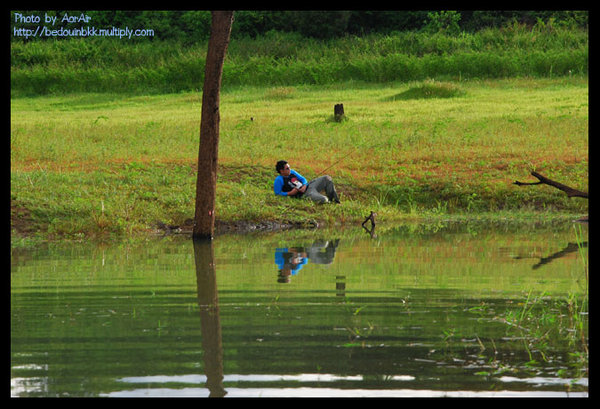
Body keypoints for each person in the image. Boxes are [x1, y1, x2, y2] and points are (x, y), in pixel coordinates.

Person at [273, 160, 340, 204]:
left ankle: (335, 201)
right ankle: (327, 201)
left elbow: (303, 179)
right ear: (281, 171)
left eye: (289, 167)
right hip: (305, 194)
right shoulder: (279, 180)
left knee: (326, 178)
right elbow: (277, 193)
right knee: (324, 199)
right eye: (287, 168)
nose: (290, 169)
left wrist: (304, 185)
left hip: (309, 186)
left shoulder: (292, 172)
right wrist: (290, 193)